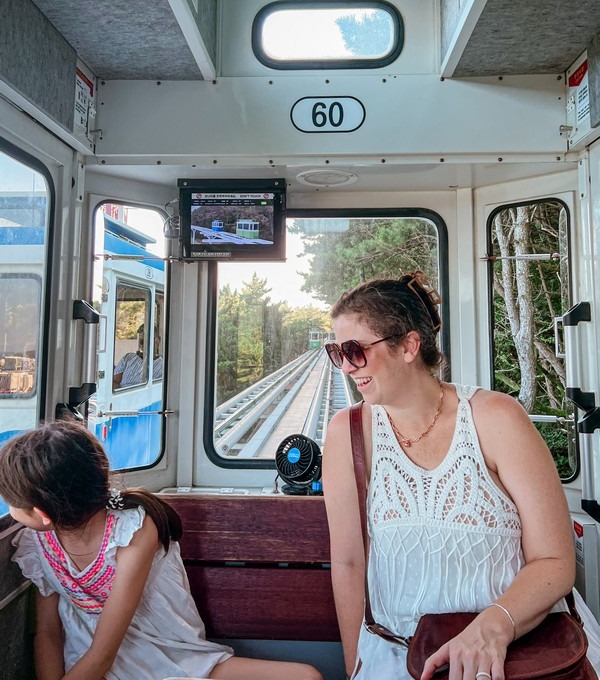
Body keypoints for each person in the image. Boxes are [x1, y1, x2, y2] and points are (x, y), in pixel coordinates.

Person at [322, 271, 600, 680]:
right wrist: (356, 666)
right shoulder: (347, 434)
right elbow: (348, 562)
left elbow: (555, 560)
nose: (346, 366)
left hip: (522, 652)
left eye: (355, 350)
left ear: (408, 346)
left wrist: (494, 625)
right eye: (336, 352)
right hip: (397, 655)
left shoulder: (496, 418)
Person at [0, 421, 323, 680]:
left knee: (307, 676)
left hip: (169, 656)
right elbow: (47, 633)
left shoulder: (134, 531)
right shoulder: (38, 544)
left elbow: (104, 653)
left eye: (13, 503)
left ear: (42, 514)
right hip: (89, 668)